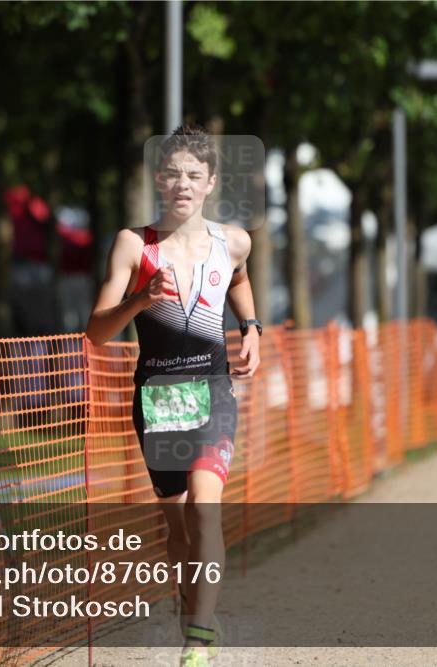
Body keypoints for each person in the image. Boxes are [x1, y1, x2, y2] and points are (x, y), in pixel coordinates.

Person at [86, 125, 261, 667]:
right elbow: (94, 332)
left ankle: (198, 640)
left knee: (206, 512)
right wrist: (140, 300)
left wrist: (252, 327)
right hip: (159, 398)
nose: (183, 184)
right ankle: (191, 610)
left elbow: (238, 279)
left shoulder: (233, 241)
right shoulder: (134, 245)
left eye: (194, 175)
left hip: (213, 390)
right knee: (179, 525)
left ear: (210, 182)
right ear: (158, 179)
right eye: (173, 173)